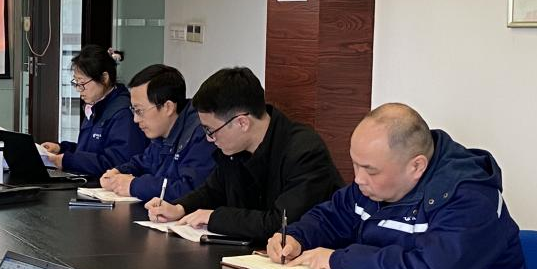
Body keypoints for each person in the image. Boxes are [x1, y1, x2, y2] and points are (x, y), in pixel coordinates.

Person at [267, 103, 530, 269]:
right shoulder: (375, 185)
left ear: (416, 166)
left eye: (370, 170)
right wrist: (297, 237)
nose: (358, 179)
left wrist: (339, 259)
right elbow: (333, 216)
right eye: (355, 164)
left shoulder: (469, 196)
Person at [145, 67, 342, 242]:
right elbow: (213, 191)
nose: (209, 139)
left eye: (210, 130)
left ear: (242, 123)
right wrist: (179, 208)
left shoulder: (304, 152)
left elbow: (281, 223)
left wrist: (214, 217)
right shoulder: (234, 148)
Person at [99, 64, 214, 202]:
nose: (135, 119)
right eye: (133, 110)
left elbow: (190, 190)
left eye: (139, 111)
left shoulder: (201, 134)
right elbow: (144, 162)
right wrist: (118, 172)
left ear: (168, 107)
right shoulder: (162, 131)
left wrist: (134, 186)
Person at [39, 45, 146, 177]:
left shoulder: (123, 113)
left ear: (104, 78)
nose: (79, 89)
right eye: (76, 83)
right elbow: (90, 151)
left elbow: (119, 163)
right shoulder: (95, 105)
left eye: (82, 83)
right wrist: (61, 148)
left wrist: (68, 161)